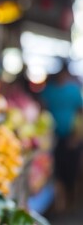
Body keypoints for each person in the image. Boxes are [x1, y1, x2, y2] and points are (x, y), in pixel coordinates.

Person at [39, 57, 83, 213]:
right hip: (54, 138)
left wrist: (76, 136)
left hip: (71, 138)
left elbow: (80, 113)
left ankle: (71, 197)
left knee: (70, 169)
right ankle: (61, 200)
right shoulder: (49, 90)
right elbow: (42, 110)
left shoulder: (73, 90)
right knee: (56, 168)